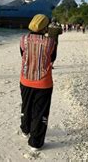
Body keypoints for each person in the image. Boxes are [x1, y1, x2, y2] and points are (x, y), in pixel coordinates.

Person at [19, 14, 57, 151]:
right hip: (43, 82)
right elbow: (52, 58)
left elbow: (22, 55)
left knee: (26, 106)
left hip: (25, 79)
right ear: (45, 27)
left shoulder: (23, 39)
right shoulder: (51, 42)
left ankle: (25, 129)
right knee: (40, 111)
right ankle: (35, 142)